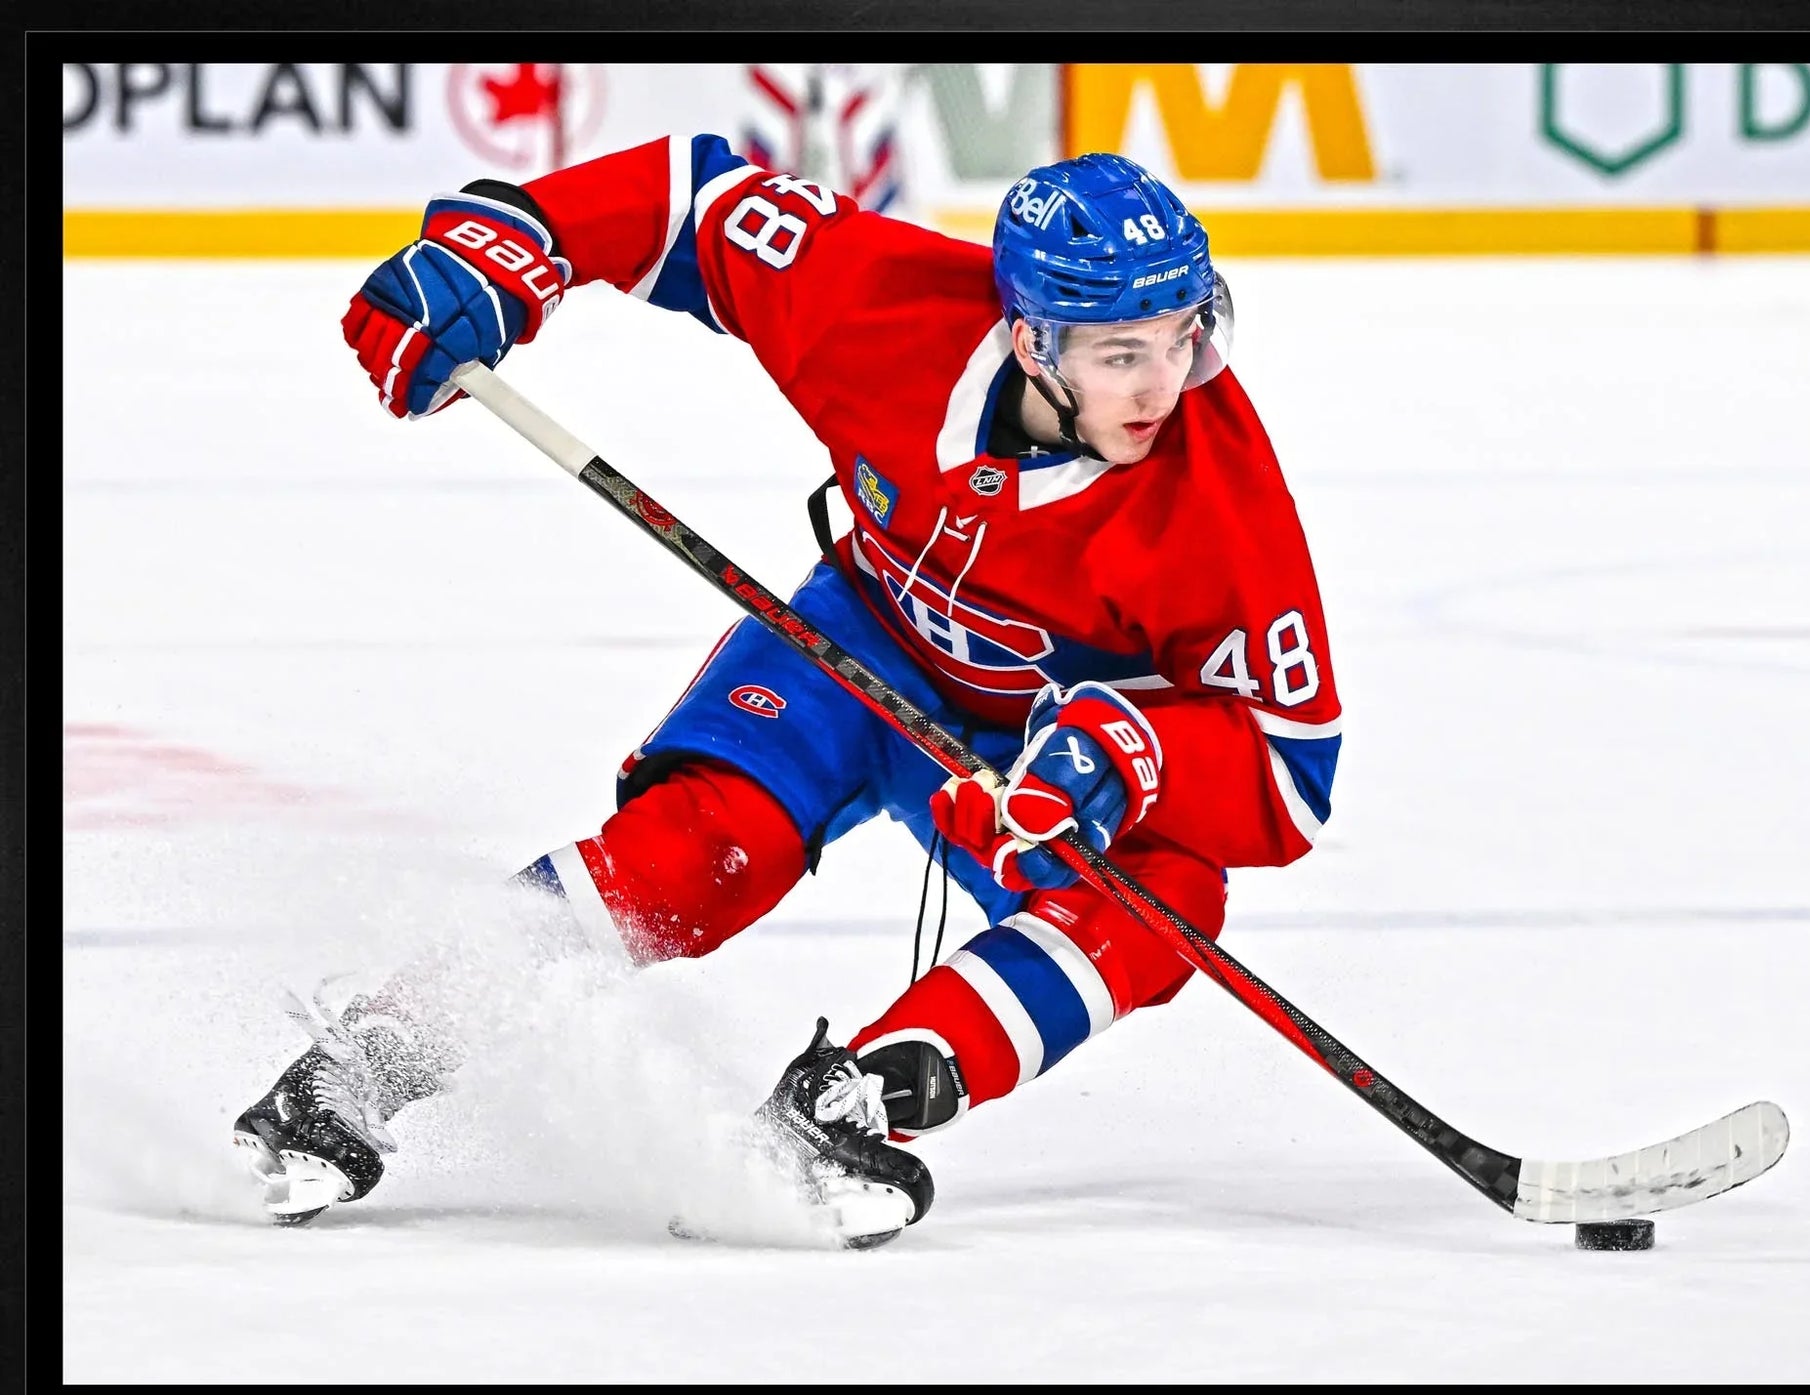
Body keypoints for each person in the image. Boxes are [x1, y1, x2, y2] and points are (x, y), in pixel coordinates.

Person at [231, 134, 1344, 1248]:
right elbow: (694, 196)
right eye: (1120, 354)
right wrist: (504, 245)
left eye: (1182, 335)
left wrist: (1124, 754)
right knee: (698, 854)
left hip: (1032, 756)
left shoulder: (1224, 507)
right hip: (852, 644)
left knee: (1161, 900)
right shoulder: (891, 312)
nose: (1162, 383)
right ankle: (365, 1058)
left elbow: (1291, 775)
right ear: (1029, 340)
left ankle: (852, 1103)